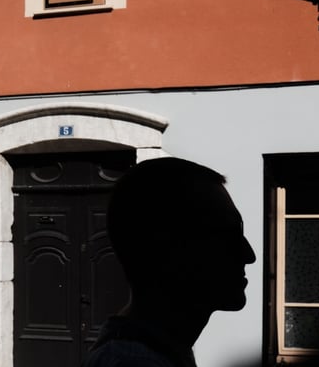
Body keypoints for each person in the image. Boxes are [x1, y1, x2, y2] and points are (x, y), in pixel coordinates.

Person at [81, 157, 256, 367]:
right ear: (164, 247)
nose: (249, 254)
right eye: (226, 234)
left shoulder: (160, 352)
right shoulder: (137, 362)